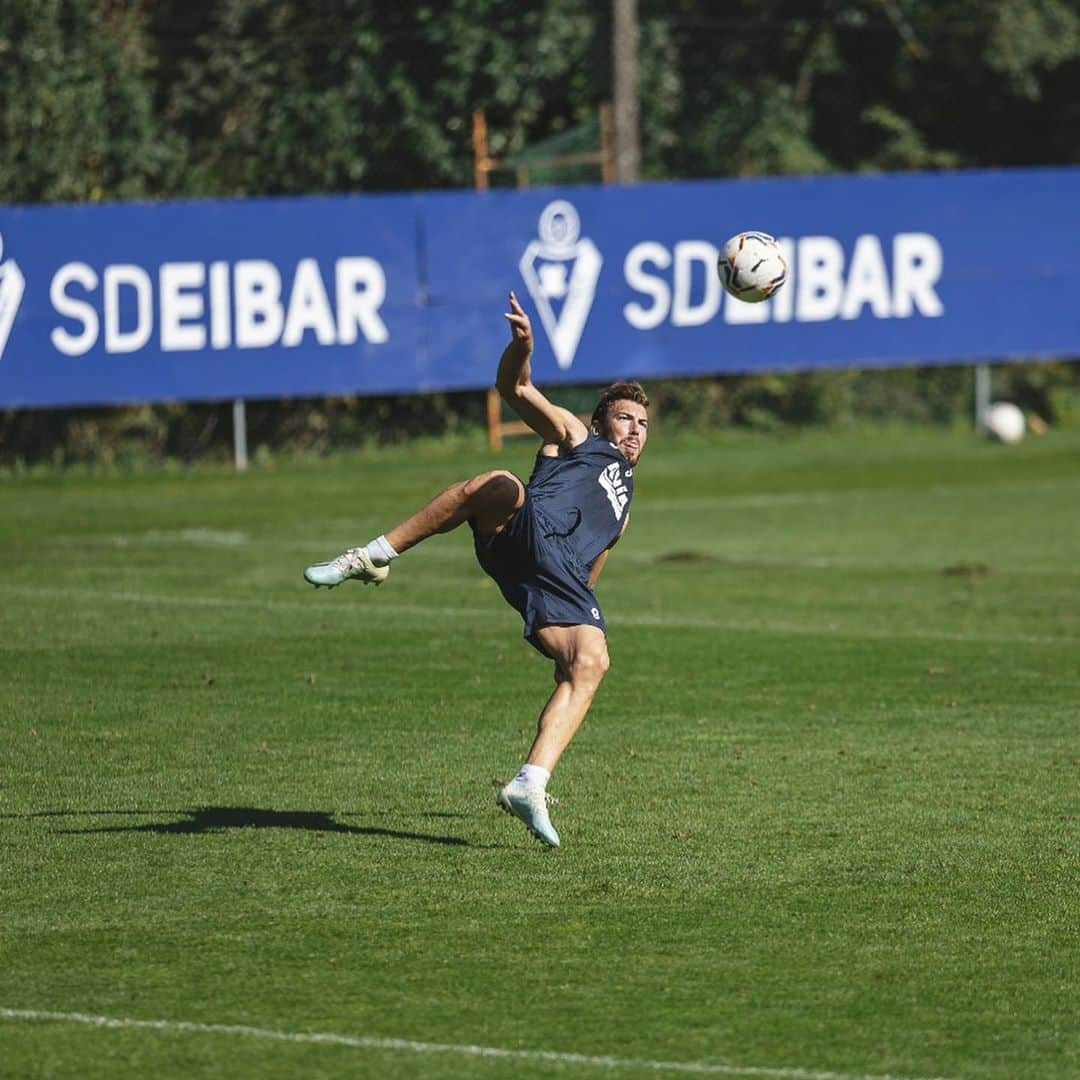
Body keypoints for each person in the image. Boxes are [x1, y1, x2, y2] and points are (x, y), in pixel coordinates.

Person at [304, 292, 649, 847]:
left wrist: (565, 626)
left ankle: (529, 784)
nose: (635, 429)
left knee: (592, 662)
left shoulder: (625, 508)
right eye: (625, 417)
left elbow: (590, 574)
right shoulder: (576, 438)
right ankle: (371, 556)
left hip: (552, 580)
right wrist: (523, 349)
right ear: (600, 421)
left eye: (643, 423)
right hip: (522, 529)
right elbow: (514, 388)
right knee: (501, 483)